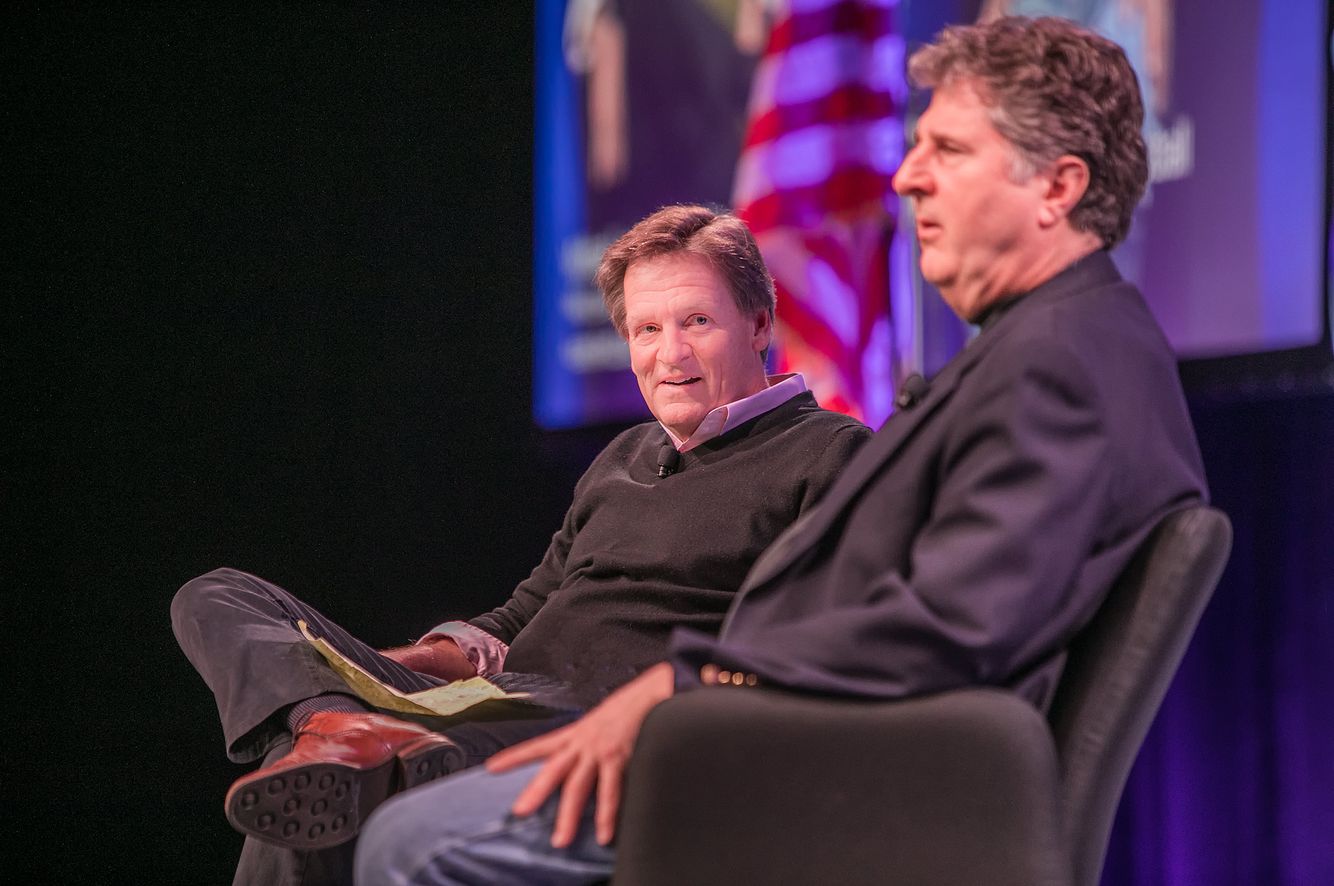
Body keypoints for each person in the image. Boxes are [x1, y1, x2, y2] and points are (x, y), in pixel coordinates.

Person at [352, 16, 1209, 884]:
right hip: (776, 744)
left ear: (1056, 187)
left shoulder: (1056, 364)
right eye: (917, 147)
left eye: (947, 151)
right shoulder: (1058, 346)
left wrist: (681, 689)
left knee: (407, 842)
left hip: (816, 779)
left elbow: (946, 632)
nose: (908, 176)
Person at [171, 205, 870, 885]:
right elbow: (522, 615)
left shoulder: (831, 454)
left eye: (697, 322)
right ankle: (335, 721)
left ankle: (345, 739)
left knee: (323, 790)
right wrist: (379, 671)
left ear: (759, 325)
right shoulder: (624, 456)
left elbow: (802, 642)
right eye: (647, 329)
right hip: (500, 693)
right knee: (216, 596)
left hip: (600, 726)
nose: (669, 354)